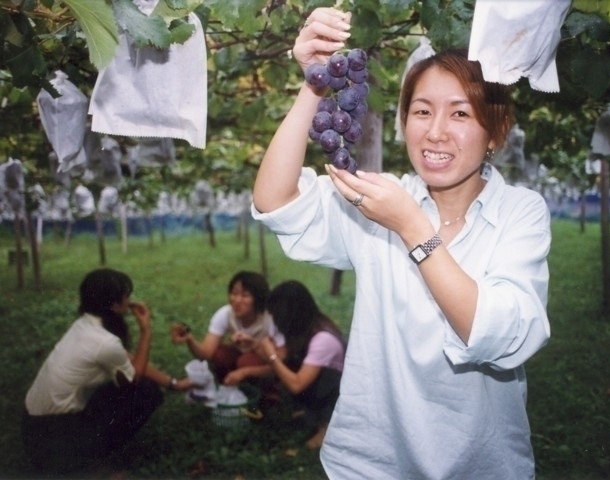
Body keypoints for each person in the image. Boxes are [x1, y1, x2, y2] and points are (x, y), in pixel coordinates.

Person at [252, 7, 551, 479]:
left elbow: (500, 334)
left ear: (495, 131)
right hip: (370, 462)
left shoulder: (519, 211)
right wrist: (314, 83)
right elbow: (275, 200)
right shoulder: (384, 198)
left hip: (479, 464)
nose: (435, 131)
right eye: (422, 111)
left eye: (460, 113)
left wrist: (412, 227)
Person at [22, 268, 192, 476]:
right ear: (114, 304)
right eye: (126, 296)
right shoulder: (105, 342)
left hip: (33, 427)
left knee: (129, 387)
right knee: (146, 392)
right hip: (53, 441)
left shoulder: (84, 325)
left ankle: (81, 459)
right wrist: (146, 330)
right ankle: (88, 468)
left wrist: (175, 384)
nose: (130, 300)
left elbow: (128, 359)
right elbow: (135, 377)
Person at [254, 280, 346, 449]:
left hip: (340, 391)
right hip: (322, 386)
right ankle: (313, 413)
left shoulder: (323, 339)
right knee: (290, 364)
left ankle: (327, 427)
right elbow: (282, 357)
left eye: (277, 316)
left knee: (304, 375)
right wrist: (256, 346)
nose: (275, 321)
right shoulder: (304, 329)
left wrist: (272, 356)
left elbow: (297, 385)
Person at [170, 271, 286, 396]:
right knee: (220, 355)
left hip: (263, 361)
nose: (237, 300)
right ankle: (228, 386)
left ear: (258, 299)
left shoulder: (270, 319)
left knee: (246, 361)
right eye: (234, 294)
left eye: (245, 296)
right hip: (239, 355)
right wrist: (190, 340)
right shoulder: (225, 314)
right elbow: (206, 354)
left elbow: (279, 364)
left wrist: (246, 369)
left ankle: (265, 392)